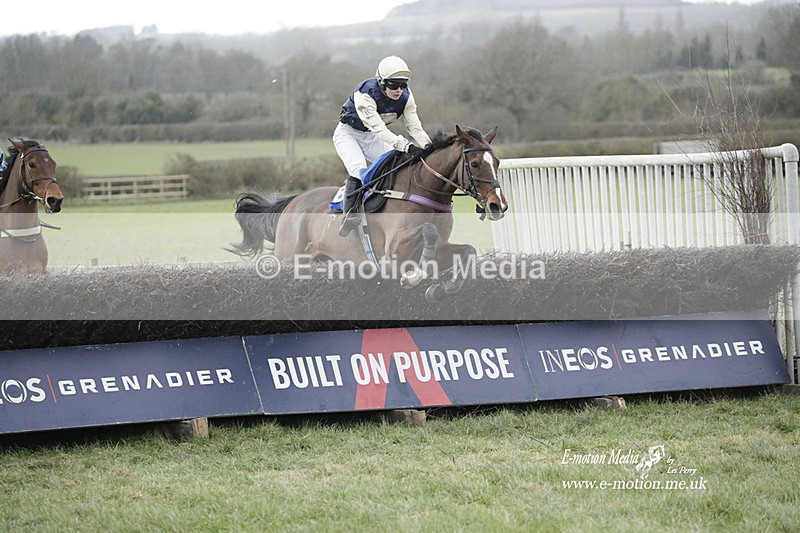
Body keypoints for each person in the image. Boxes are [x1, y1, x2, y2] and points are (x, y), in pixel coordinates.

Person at [333, 55, 432, 236]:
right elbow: (380, 130)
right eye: (394, 85)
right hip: (348, 134)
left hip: (371, 137)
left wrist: (429, 148)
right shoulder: (365, 94)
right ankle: (349, 214)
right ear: (381, 82)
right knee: (358, 169)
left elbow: (415, 128)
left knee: (398, 163)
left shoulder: (407, 97)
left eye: (403, 85)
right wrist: (407, 146)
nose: (399, 90)